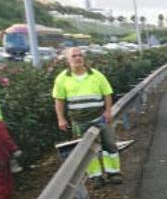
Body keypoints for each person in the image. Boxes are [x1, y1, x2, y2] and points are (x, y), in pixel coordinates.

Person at [52, 47, 122, 187]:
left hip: (99, 117)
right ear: (68, 60)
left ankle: (114, 173)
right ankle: (96, 177)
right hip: (79, 121)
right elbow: (59, 100)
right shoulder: (62, 79)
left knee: (109, 144)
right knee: (86, 150)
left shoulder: (96, 75)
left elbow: (107, 94)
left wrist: (108, 111)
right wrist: (61, 118)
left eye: (80, 55)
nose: (78, 58)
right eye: (74, 56)